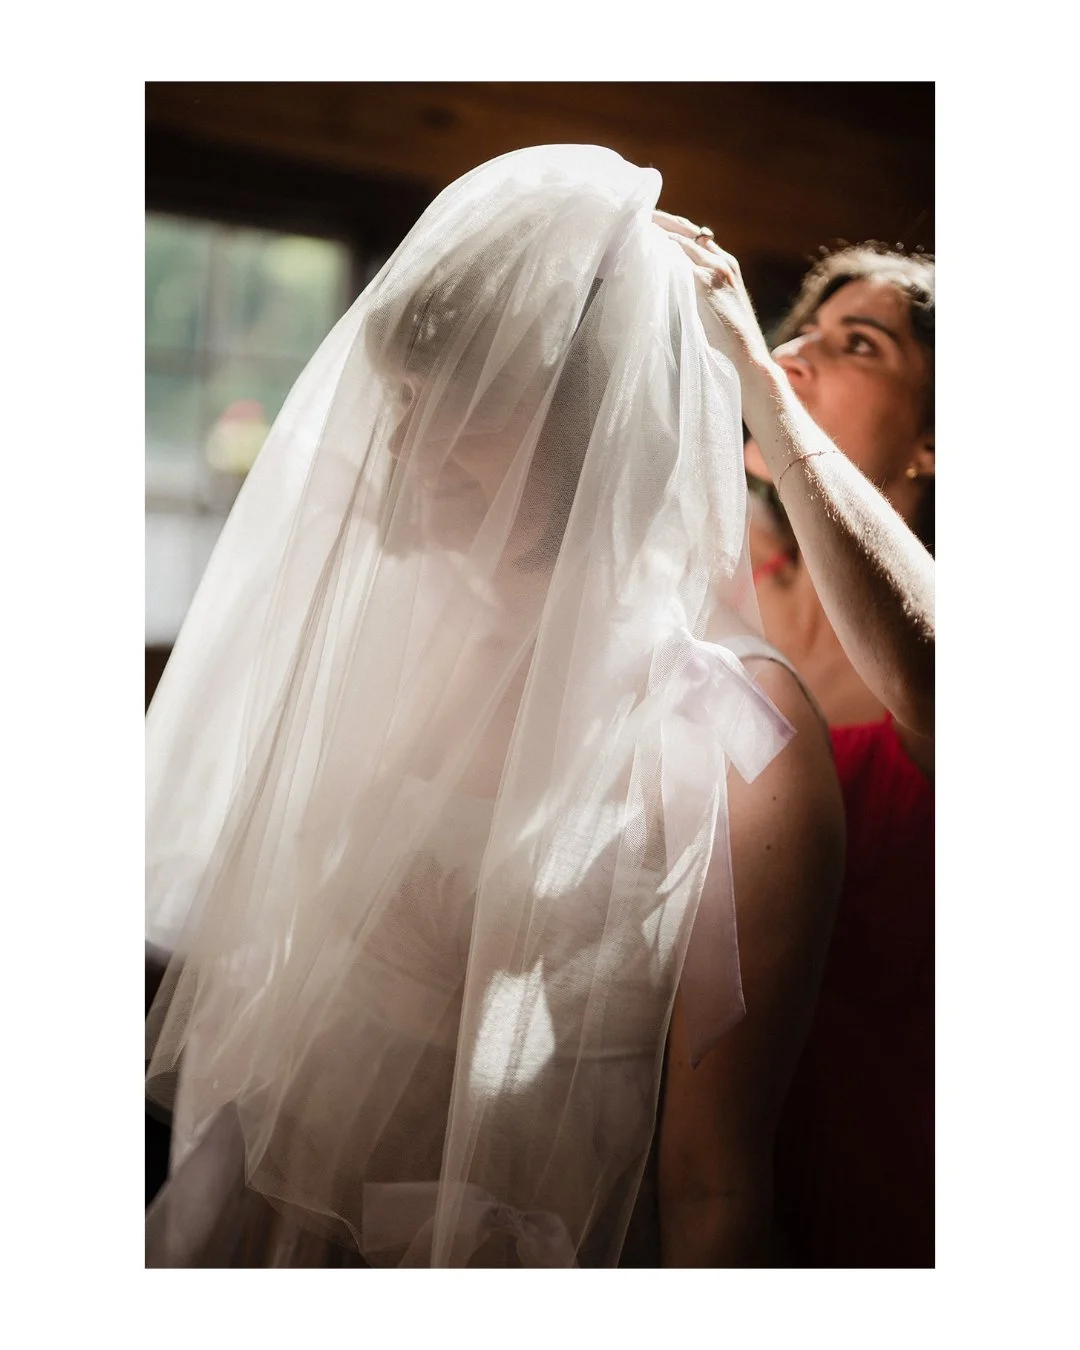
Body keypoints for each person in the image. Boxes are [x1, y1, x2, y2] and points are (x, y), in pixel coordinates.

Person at [143, 145, 844, 1268]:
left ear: (592, 415)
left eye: (465, 400)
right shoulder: (403, 636)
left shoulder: (736, 738)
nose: (409, 442)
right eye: (408, 397)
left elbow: (716, 1183)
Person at [660, 216, 935, 1265]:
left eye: (860, 344)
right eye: (801, 331)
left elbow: (927, 675)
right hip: (693, 1168)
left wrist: (758, 381)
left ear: (935, 442)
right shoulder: (713, 617)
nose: (798, 350)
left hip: (899, 1195)